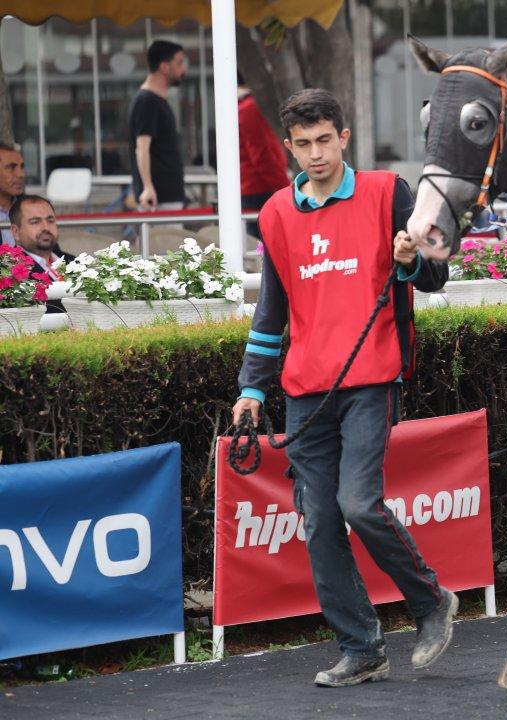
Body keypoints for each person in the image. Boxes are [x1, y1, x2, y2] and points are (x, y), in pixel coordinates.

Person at [230, 88, 459, 688]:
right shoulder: (275, 213)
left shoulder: (389, 192)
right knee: (320, 519)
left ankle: (431, 601)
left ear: (344, 137)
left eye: (324, 141)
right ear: (289, 146)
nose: (315, 154)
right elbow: (270, 311)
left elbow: (434, 275)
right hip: (306, 389)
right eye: (302, 144)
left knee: (358, 503)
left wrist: (408, 256)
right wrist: (252, 388)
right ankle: (361, 647)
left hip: (371, 378)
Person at [129, 40, 188, 212]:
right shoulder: (147, 101)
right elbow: (142, 147)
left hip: (165, 198)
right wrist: (147, 187)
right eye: (179, 63)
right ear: (164, 67)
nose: (183, 70)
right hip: (158, 201)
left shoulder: (155, 100)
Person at [238, 73, 290, 238]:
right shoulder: (248, 108)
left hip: (253, 188)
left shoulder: (239, 107)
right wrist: (285, 187)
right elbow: (261, 155)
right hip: (261, 189)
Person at [9, 194, 74, 313]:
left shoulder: (74, 261)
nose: (46, 227)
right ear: (16, 232)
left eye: (50, 220)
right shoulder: (9, 272)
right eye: (35, 222)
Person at [0, 141, 27, 248]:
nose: (21, 174)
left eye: (22, 167)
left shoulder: (30, 208)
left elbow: (51, 252)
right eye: (11, 167)